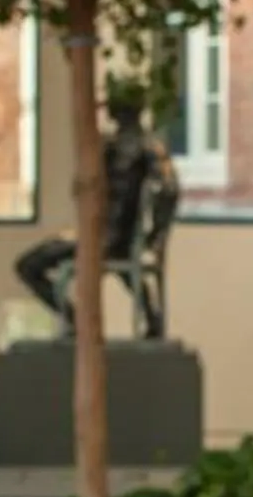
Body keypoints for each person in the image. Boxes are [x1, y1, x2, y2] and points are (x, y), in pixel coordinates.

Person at [15, 91, 180, 337]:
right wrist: (156, 234)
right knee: (118, 260)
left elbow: (80, 189)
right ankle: (150, 317)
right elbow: (169, 190)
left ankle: (74, 318)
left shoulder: (108, 147)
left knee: (27, 266)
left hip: (102, 239)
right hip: (121, 239)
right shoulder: (151, 147)